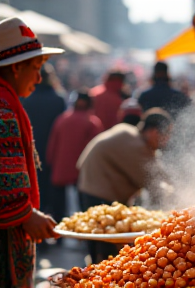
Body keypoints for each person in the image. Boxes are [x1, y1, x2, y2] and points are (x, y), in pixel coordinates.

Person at [0, 17, 64, 287]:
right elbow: (6, 181)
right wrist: (26, 215)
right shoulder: (3, 111)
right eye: (36, 67)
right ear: (16, 68)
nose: (39, 78)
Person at [77, 107, 173, 263]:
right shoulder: (134, 144)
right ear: (154, 132)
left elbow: (158, 171)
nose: (168, 139)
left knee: (98, 244)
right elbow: (152, 181)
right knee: (105, 250)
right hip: (98, 193)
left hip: (90, 187)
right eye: (167, 133)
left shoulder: (129, 132)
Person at [46, 88, 103, 224]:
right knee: (83, 203)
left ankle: (57, 232)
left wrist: (50, 161)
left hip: (61, 166)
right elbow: (96, 149)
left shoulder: (62, 119)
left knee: (58, 203)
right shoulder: (92, 122)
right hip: (82, 168)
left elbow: (53, 143)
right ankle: (84, 232)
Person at [22, 63, 66, 217]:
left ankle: (36, 216)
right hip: (54, 150)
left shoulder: (25, 99)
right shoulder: (59, 99)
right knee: (53, 188)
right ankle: (54, 223)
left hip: (31, 148)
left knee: (35, 186)